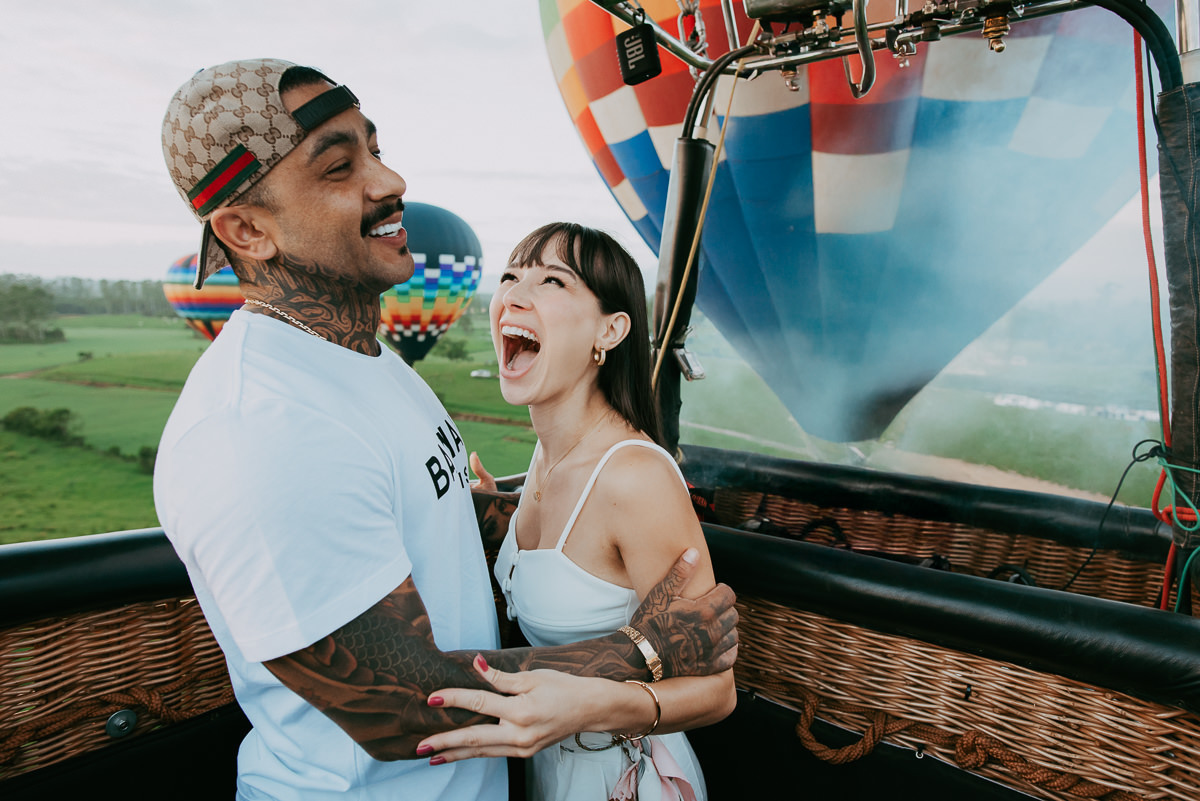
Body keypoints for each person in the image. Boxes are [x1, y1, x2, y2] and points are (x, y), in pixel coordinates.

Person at [153, 59, 738, 801]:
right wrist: (645, 648)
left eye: (374, 145)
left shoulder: (373, 361)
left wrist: (546, 515)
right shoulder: (256, 431)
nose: (390, 179)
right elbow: (399, 705)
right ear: (246, 229)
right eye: (340, 166)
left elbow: (419, 518)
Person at [420, 223, 736, 800]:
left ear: (610, 330)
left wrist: (590, 703)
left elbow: (717, 689)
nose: (513, 294)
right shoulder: (548, 453)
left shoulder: (635, 476)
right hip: (548, 769)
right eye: (512, 276)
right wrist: (497, 509)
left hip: (621, 775)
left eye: (551, 281)